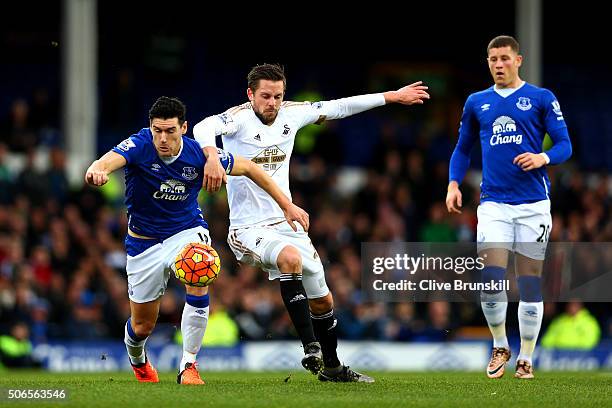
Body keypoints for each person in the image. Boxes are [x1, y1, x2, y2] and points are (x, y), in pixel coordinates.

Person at [193, 64, 429, 382]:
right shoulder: (236, 119)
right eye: (265, 96)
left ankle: (332, 368)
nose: (272, 103)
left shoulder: (293, 114)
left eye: (277, 96)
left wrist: (391, 96)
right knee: (290, 260)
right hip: (248, 229)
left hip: (287, 222)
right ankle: (311, 348)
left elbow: (340, 107)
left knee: (323, 299)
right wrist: (211, 155)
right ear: (250, 95)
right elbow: (202, 127)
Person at [85, 96, 309, 384]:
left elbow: (252, 168)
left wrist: (286, 205)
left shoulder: (199, 154)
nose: (162, 138)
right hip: (144, 243)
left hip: (186, 231)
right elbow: (106, 161)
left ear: (184, 128)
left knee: (200, 266)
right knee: (142, 326)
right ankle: (138, 358)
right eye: (157, 131)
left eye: (170, 131)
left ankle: (188, 365)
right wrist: (97, 170)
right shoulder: (140, 145)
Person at [445, 35, 572, 379]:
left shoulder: (541, 98)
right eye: (492, 59)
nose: (498, 64)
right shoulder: (477, 102)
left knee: (529, 284)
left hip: (533, 205)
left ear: (518, 60)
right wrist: (454, 183)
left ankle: (527, 357)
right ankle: (500, 344)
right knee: (491, 279)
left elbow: (565, 145)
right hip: (493, 205)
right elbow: (462, 148)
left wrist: (542, 156)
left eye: (504, 58)